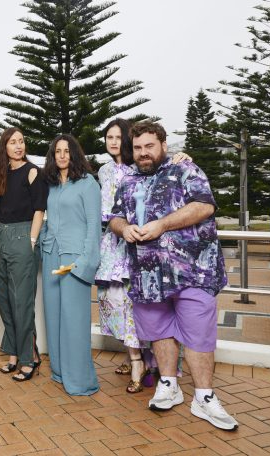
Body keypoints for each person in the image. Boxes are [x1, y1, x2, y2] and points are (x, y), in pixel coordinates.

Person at [109, 121, 237, 430]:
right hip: (147, 274)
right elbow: (115, 217)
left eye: (149, 146)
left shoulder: (185, 170)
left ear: (163, 144)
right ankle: (169, 384)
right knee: (158, 330)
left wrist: (163, 224)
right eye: (138, 148)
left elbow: (204, 206)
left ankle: (204, 397)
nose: (143, 153)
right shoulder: (127, 182)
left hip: (193, 271)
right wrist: (124, 228)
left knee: (199, 333)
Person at [96, 119, 192, 393]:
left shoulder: (139, 166)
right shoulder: (103, 171)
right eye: (108, 137)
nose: (113, 142)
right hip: (115, 241)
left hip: (146, 242)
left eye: (118, 136)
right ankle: (134, 358)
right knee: (119, 303)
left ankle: (154, 363)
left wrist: (182, 155)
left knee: (148, 303)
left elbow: (169, 165)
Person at [40, 134, 101, 396]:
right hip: (51, 255)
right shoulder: (52, 185)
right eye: (57, 152)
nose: (62, 155)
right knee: (53, 317)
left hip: (75, 259)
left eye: (67, 151)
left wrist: (84, 262)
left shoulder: (87, 184)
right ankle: (60, 372)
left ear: (75, 154)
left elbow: (94, 227)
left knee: (74, 320)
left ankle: (80, 381)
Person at [0, 127, 47, 381]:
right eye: (13, 142)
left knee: (22, 301)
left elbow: (39, 210)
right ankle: (13, 352)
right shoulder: (0, 176)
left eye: (21, 141)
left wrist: (31, 240)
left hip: (23, 236)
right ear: (4, 147)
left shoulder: (33, 171)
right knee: (4, 299)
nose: (18, 146)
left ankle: (29, 357)